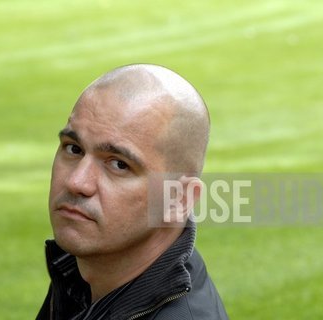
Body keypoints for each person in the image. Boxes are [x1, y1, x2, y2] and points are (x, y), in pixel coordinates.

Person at [36, 64, 228, 320]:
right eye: (74, 149)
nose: (77, 182)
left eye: (119, 165)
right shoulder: (89, 271)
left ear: (178, 199)